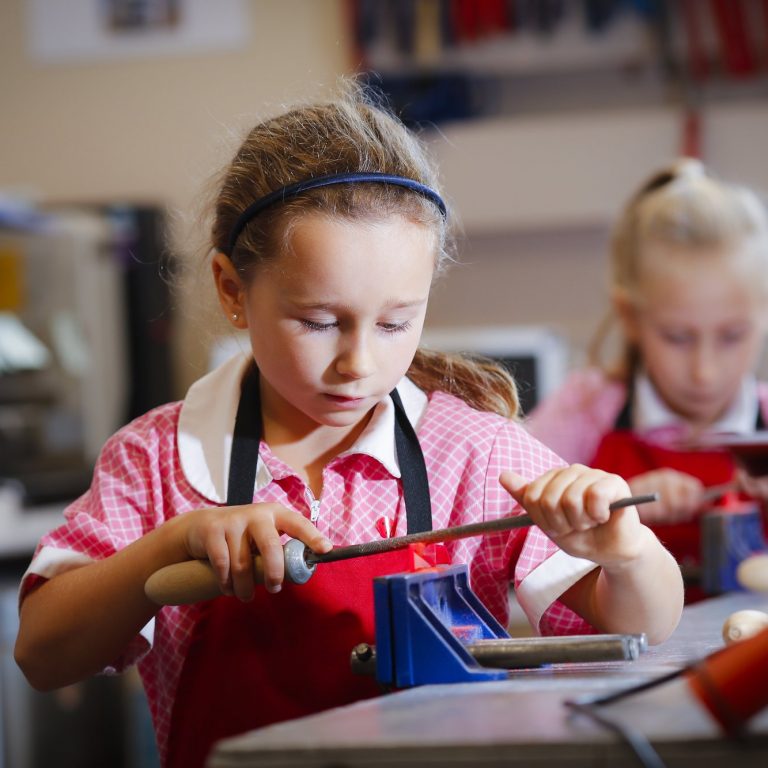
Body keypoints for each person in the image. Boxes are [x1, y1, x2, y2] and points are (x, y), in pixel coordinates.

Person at [14, 85, 683, 768]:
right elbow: (42, 653)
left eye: (395, 323)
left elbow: (646, 625)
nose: (359, 362)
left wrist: (626, 554)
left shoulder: (475, 455)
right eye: (319, 321)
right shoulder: (160, 458)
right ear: (232, 290)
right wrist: (171, 546)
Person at [526, 158, 768, 581]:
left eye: (732, 336)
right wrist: (613, 505)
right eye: (678, 337)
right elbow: (511, 518)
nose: (704, 372)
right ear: (631, 317)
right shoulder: (585, 409)